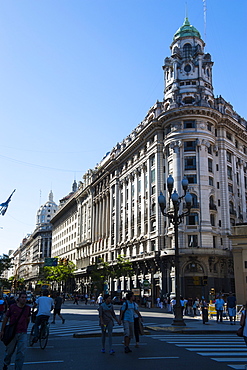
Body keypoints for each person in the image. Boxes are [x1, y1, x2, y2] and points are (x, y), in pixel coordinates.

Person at [0, 291, 31, 370]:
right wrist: (2, 330)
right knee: (9, 352)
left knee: (21, 353)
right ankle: (6, 363)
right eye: (22, 297)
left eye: (25, 298)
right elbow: (6, 318)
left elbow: (28, 318)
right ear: (18, 298)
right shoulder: (13, 307)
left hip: (23, 332)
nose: (24, 299)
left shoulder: (27, 308)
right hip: (13, 332)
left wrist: (26, 328)